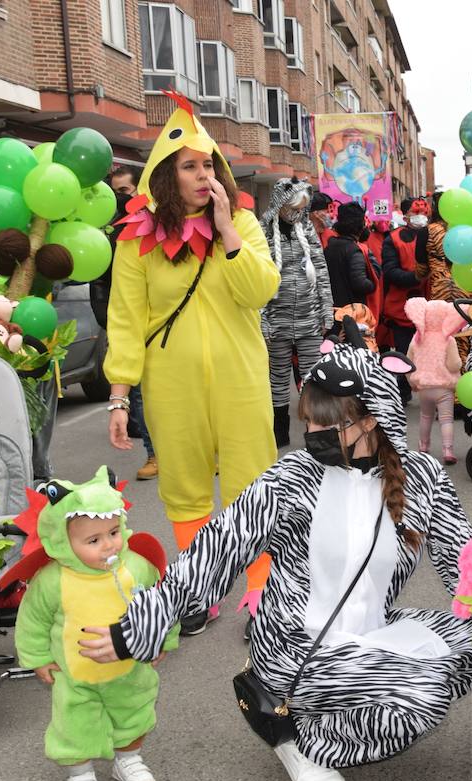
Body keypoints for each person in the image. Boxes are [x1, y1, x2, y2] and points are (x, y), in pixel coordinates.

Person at [80, 340, 472, 781]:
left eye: (324, 422)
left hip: (369, 632)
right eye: (307, 419)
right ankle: (301, 739)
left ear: (371, 418)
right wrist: (134, 629)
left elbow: (467, 566)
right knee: (422, 696)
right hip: (296, 647)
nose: (311, 431)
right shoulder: (291, 478)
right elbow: (216, 550)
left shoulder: (423, 479)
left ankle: (334, 709)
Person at [103, 92, 281, 636]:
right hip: (170, 381)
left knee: (253, 486)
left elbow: (261, 291)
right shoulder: (136, 242)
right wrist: (117, 394)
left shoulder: (244, 227)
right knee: (184, 485)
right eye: (190, 166)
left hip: (241, 375)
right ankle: (198, 592)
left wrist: (228, 232)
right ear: (166, 175)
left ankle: (262, 592)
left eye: (209, 165)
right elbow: (126, 319)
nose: (204, 174)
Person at [12, 467, 178, 781]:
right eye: (93, 540)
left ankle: (127, 760)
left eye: (114, 532)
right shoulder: (52, 580)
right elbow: (33, 621)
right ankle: (81, 777)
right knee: (74, 729)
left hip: (130, 669)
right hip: (76, 677)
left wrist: (161, 639)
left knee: (134, 716)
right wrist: (38, 658)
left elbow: (162, 603)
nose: (109, 545)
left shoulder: (136, 567)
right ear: (62, 541)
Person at [259, 178, 333, 449]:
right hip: (276, 319)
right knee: (277, 375)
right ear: (280, 203)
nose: (296, 213)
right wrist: (262, 319)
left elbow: (321, 271)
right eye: (292, 206)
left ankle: (316, 432)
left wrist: (326, 311)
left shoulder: (307, 230)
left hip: (309, 316)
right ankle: (279, 432)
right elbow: (256, 279)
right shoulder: (262, 231)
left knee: (313, 376)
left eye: (301, 208)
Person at [94, 164, 157, 481]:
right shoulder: (110, 230)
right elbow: (101, 276)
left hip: (159, 326)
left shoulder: (153, 228)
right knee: (138, 395)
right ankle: (153, 452)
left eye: (124, 193)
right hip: (124, 320)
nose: (119, 201)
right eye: (114, 192)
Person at [380, 198, 433, 400]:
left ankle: (431, 390)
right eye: (415, 213)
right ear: (405, 216)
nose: (420, 217)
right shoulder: (393, 239)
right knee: (404, 352)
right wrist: (415, 277)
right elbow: (390, 272)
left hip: (431, 307)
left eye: (423, 213)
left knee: (431, 352)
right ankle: (402, 391)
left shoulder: (434, 235)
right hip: (402, 307)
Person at [403, 297, 466, 465]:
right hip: (444, 387)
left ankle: (423, 446)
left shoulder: (417, 339)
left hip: (424, 387)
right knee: (446, 419)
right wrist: (459, 364)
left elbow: (408, 363)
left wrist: (412, 383)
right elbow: (454, 365)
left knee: (425, 417)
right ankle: (448, 450)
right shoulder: (448, 339)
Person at [323, 202, 377, 310]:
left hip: (334, 309)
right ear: (361, 226)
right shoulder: (354, 250)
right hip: (351, 312)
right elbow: (361, 284)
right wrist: (373, 282)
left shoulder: (329, 246)